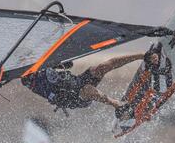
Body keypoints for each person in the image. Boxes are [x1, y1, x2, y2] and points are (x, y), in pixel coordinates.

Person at [20, 50, 160, 120]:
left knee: (100, 68)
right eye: (27, 59)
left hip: (75, 81)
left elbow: (69, 64)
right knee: (87, 89)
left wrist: (57, 62)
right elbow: (22, 76)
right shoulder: (26, 78)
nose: (30, 58)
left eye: (30, 57)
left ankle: (142, 56)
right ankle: (120, 106)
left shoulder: (42, 62)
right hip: (70, 97)